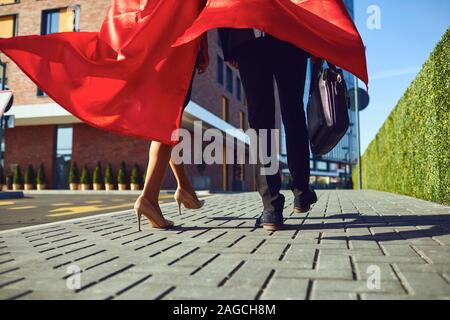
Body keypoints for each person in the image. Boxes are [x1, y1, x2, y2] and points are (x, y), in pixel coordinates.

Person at [219, 29, 318, 231]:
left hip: (248, 37)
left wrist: (229, 47)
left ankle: (271, 208)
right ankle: (301, 191)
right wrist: (316, 39)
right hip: (290, 34)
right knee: (293, 112)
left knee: (260, 119)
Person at [134, 33, 209, 230]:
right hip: (182, 43)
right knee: (167, 122)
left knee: (169, 121)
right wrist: (205, 45)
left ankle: (185, 189)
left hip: (159, 43)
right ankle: (149, 198)